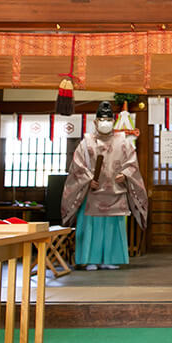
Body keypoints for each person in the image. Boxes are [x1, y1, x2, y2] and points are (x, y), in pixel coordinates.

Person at [61, 101, 149, 270]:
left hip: (116, 191)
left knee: (112, 227)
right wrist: (88, 180)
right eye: (102, 119)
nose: (105, 123)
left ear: (113, 121)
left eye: (108, 119)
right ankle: (90, 260)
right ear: (95, 122)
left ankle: (110, 259)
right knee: (91, 227)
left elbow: (132, 164)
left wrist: (126, 175)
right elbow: (77, 168)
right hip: (92, 194)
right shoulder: (86, 143)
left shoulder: (123, 142)